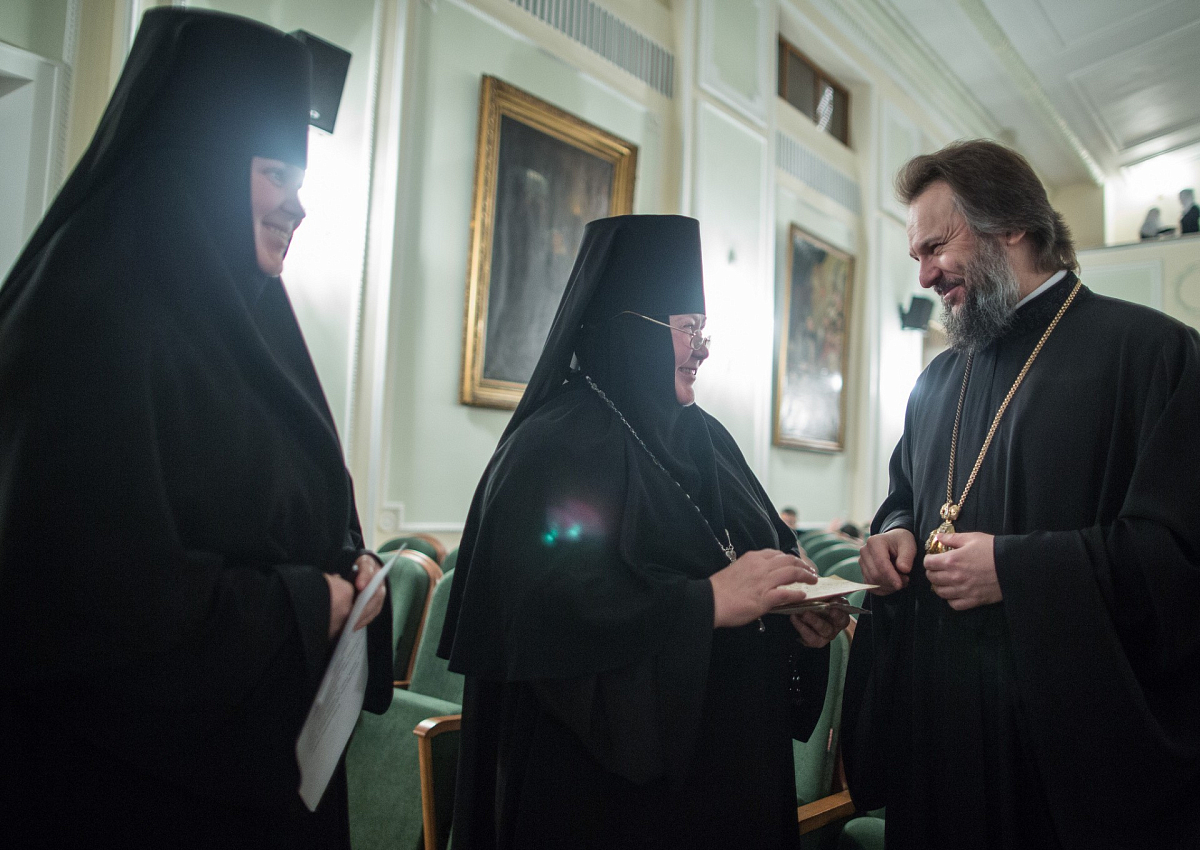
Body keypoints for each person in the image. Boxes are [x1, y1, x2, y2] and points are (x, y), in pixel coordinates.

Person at [0, 9, 391, 848]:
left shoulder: (255, 319)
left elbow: (305, 501)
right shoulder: (88, 321)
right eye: (277, 173)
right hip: (122, 796)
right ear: (205, 163)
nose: (299, 206)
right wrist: (308, 604)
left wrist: (352, 568)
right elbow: (89, 605)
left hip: (256, 778)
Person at [439, 215, 849, 849]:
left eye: (704, 330)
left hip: (731, 779)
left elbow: (765, 563)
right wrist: (706, 603)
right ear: (628, 330)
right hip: (605, 805)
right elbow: (551, 618)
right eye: (688, 330)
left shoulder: (709, 439)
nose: (703, 350)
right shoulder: (551, 447)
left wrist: (800, 622)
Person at [842, 140, 1200, 849]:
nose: (924, 275)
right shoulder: (934, 382)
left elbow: (1179, 558)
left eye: (936, 247)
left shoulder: (1154, 355)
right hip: (942, 738)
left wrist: (1016, 570)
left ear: (1010, 223)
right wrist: (894, 534)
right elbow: (906, 497)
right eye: (916, 255)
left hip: (1070, 755)